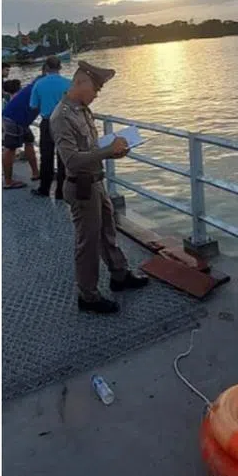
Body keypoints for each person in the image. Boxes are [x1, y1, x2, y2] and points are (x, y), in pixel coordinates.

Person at [51, 60, 148, 313]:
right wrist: (107, 151)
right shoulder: (61, 117)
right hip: (81, 187)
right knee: (88, 243)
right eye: (95, 89)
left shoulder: (82, 109)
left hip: (95, 182)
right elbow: (71, 159)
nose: (97, 94)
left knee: (107, 230)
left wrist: (112, 152)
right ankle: (88, 295)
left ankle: (119, 275)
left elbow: (91, 148)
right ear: (81, 82)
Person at [30, 56, 71, 199]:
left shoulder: (39, 84)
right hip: (64, 123)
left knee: (46, 156)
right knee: (63, 157)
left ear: (46, 67)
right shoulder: (68, 83)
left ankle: (44, 188)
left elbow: (33, 105)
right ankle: (61, 191)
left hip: (47, 123)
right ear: (60, 67)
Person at [1, 77, 40, 189]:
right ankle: (8, 181)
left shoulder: (33, 86)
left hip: (21, 121)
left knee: (29, 141)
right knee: (10, 147)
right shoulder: (39, 89)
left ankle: (35, 173)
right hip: (14, 120)